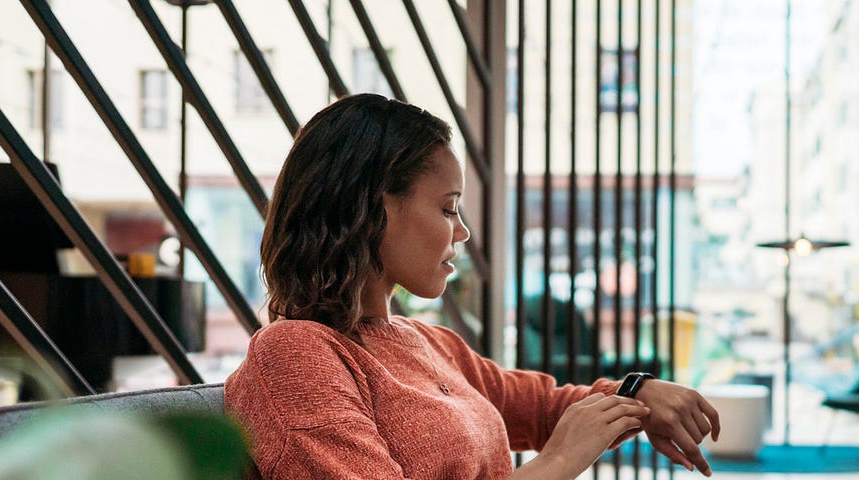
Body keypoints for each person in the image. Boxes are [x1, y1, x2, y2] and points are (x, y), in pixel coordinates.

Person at [225, 94, 720, 479]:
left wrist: (638, 393)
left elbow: (544, 406)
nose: (461, 231)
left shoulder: (427, 343)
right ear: (372, 208)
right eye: (447, 207)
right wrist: (560, 462)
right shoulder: (295, 354)